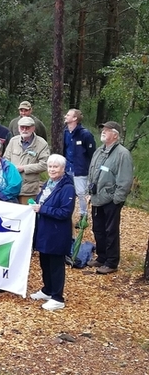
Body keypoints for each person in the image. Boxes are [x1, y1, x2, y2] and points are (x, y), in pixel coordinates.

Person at [86, 121, 134, 274]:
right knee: (98, 229)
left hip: (111, 200)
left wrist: (117, 200)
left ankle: (111, 262)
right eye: (103, 129)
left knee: (110, 230)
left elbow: (125, 180)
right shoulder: (99, 151)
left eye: (107, 130)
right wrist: (90, 191)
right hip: (97, 198)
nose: (104, 131)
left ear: (115, 134)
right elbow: (92, 172)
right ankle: (101, 257)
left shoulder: (122, 154)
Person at [30, 154, 75, 311]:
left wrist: (43, 209)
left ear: (63, 169)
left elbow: (65, 212)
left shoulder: (67, 187)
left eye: (56, 167)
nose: (52, 169)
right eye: (50, 166)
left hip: (57, 233)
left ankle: (58, 297)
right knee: (44, 261)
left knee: (56, 264)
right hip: (44, 230)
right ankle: (47, 290)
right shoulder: (48, 184)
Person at [4, 116, 49, 204]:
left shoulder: (42, 143)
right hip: (11, 186)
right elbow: (5, 160)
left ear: (33, 128)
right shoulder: (13, 141)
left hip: (29, 189)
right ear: (18, 128)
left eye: (27, 127)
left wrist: (24, 168)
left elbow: (44, 164)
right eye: (22, 127)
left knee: (27, 215)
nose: (24, 129)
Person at [63, 108, 95, 222]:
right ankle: (67, 213)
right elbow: (64, 149)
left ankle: (83, 216)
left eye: (68, 115)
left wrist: (90, 170)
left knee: (81, 193)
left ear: (75, 118)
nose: (65, 116)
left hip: (80, 169)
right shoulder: (65, 131)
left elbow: (92, 154)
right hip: (67, 168)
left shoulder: (85, 134)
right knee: (67, 191)